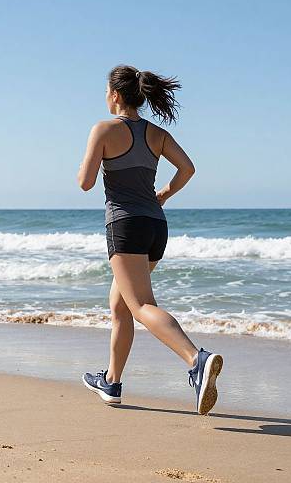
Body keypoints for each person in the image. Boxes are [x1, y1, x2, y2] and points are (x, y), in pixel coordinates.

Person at [77, 64, 223, 415]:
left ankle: (196, 360)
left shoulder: (104, 129)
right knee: (121, 304)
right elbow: (187, 168)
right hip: (156, 226)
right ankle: (111, 381)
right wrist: (165, 194)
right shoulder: (157, 135)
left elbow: (85, 182)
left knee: (141, 305)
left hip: (125, 225)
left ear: (114, 94)